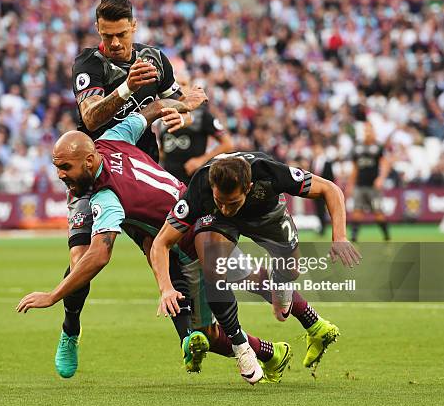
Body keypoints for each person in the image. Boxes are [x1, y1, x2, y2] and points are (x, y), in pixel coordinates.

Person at [17, 95, 292, 385]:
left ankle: (270, 350)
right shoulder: (113, 139)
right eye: (57, 166)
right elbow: (153, 109)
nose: (59, 174)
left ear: (88, 161)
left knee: (206, 332)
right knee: (257, 280)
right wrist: (184, 102)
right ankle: (296, 329)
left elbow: (99, 255)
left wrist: (52, 296)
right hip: (202, 216)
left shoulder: (108, 197)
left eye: (65, 168)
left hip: (185, 242)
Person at [56, 0, 190, 379]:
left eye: (120, 34)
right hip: (93, 174)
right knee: (83, 258)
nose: (113, 43)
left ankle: (187, 337)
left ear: (133, 26)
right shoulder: (89, 63)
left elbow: (174, 99)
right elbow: (91, 116)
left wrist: (178, 116)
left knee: (161, 246)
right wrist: (127, 88)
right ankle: (70, 330)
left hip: (142, 170)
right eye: (106, 34)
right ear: (98, 30)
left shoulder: (156, 59)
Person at [150, 152, 361, 371]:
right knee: (212, 264)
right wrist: (166, 288)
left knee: (290, 271)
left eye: (232, 202)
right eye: (219, 201)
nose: (225, 208)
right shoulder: (200, 188)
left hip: (268, 216)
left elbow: (330, 189)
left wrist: (340, 237)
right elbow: (160, 243)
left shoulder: (269, 173)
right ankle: (241, 346)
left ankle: (282, 287)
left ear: (249, 187)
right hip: (220, 224)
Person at [158, 70, 234, 185]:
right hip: (170, 183)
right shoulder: (162, 115)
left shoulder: (201, 115)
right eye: (176, 85)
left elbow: (228, 144)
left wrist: (201, 160)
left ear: (190, 88)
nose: (179, 89)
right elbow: (164, 150)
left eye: (183, 84)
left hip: (194, 182)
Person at [348, 124, 391, 242]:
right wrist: (350, 184)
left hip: (373, 187)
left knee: (378, 213)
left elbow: (385, 164)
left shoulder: (378, 147)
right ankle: (353, 239)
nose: (368, 133)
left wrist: (381, 178)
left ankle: (387, 238)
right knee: (357, 212)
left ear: (374, 132)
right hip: (359, 185)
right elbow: (355, 168)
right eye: (366, 131)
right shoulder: (357, 147)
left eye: (370, 131)